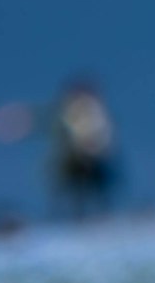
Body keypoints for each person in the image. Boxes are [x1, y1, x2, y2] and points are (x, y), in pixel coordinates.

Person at [46, 74, 116, 215]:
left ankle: (98, 215)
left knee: (94, 189)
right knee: (72, 190)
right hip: (73, 158)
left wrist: (97, 149)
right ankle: (70, 216)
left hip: (92, 158)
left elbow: (105, 136)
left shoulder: (97, 112)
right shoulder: (67, 111)